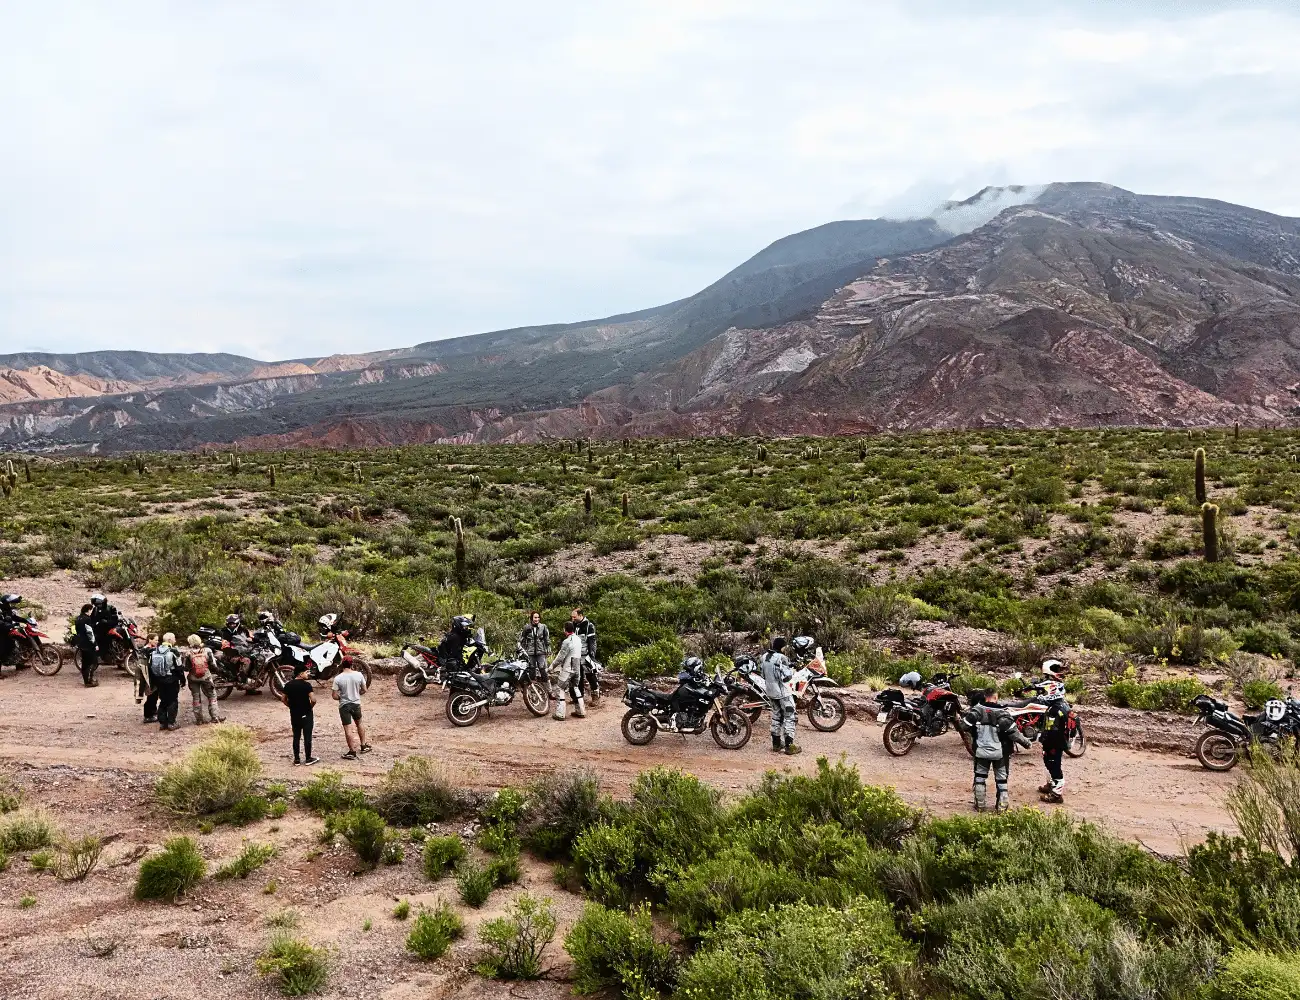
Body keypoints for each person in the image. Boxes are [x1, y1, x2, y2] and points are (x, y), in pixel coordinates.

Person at [959, 689, 1033, 813]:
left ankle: (980, 805)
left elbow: (963, 726)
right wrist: (1027, 744)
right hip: (1001, 753)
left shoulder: (976, 711)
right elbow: (1014, 734)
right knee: (1001, 780)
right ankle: (1002, 808)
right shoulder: (1003, 713)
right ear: (996, 697)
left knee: (980, 777)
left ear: (985, 697)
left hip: (981, 751)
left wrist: (975, 732)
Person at [1036, 660, 1071, 804]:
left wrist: (1045, 740)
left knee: (1054, 765)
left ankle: (1057, 794)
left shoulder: (1057, 709)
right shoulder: (1058, 705)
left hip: (1055, 742)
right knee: (1049, 762)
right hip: (1053, 741)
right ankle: (1051, 785)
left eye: (1046, 692)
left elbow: (1055, 729)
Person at [760, 636, 801, 756]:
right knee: (790, 716)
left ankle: (776, 744)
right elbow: (787, 677)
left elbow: (762, 674)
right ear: (781, 647)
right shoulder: (782, 658)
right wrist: (792, 670)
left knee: (776, 716)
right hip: (783, 692)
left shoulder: (764, 657)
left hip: (770, 692)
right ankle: (789, 746)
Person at [331, 658, 370, 760]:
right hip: (356, 704)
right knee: (359, 723)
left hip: (344, 705)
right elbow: (364, 689)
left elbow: (334, 695)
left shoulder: (338, 678)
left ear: (342, 665)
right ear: (352, 664)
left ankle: (352, 751)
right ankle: (363, 745)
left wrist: (341, 697)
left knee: (348, 728)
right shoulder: (359, 675)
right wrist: (357, 694)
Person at [280, 664, 319, 765]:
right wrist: (309, 707)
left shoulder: (288, 685)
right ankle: (308, 758)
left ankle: (297, 759)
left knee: (296, 736)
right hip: (306, 713)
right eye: (306, 672)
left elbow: (283, 699)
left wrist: (290, 706)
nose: (308, 674)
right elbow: (313, 700)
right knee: (307, 736)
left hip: (294, 714)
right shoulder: (307, 685)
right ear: (301, 674)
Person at [547, 621, 586, 721]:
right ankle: (581, 711)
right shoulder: (578, 639)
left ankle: (560, 713)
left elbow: (560, 657)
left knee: (560, 688)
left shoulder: (567, 641)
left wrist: (551, 667)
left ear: (565, 630)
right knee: (576, 687)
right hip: (577, 668)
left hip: (568, 668)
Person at [184, 634, 223, 725]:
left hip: (193, 679)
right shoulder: (207, 650)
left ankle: (199, 720)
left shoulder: (188, 653)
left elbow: (186, 668)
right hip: (206, 677)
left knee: (196, 698)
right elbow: (213, 665)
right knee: (212, 696)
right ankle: (215, 717)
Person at [150, 633, 184, 731]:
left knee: (163, 700)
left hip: (159, 679)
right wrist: (182, 680)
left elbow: (151, 666)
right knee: (172, 700)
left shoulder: (155, 650)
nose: (175, 640)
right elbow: (179, 668)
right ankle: (171, 723)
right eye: (174, 639)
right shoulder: (173, 651)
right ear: (169, 640)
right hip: (171, 680)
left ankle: (163, 723)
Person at [571, 608, 600, 706]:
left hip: (585, 655)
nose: (573, 619)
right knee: (577, 676)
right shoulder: (573, 625)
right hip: (575, 655)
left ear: (580, 615)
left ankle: (595, 697)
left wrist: (592, 655)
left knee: (590, 675)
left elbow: (592, 641)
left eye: (574, 617)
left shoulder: (589, 626)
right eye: (572, 617)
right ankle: (578, 697)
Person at [518, 611, 550, 681]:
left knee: (542, 669)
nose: (537, 619)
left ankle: (548, 687)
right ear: (532, 618)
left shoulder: (543, 627)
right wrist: (523, 651)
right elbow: (522, 640)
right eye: (535, 617)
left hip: (541, 651)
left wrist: (548, 650)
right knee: (531, 670)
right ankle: (533, 686)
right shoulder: (526, 627)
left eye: (538, 617)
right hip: (530, 652)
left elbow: (547, 639)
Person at [74, 603, 100, 687]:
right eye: (91, 610)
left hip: (81, 643)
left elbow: (76, 630)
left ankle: (86, 681)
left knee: (84, 663)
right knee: (92, 662)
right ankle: (89, 681)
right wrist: (95, 644)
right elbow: (89, 633)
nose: (91, 612)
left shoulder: (78, 618)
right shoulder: (87, 619)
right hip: (88, 644)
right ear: (88, 610)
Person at [137, 633, 160, 723]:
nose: (157, 642)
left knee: (154, 696)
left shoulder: (152, 649)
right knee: (151, 696)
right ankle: (148, 715)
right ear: (150, 640)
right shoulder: (146, 650)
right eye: (155, 640)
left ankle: (153, 712)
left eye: (157, 640)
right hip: (148, 677)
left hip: (153, 676)